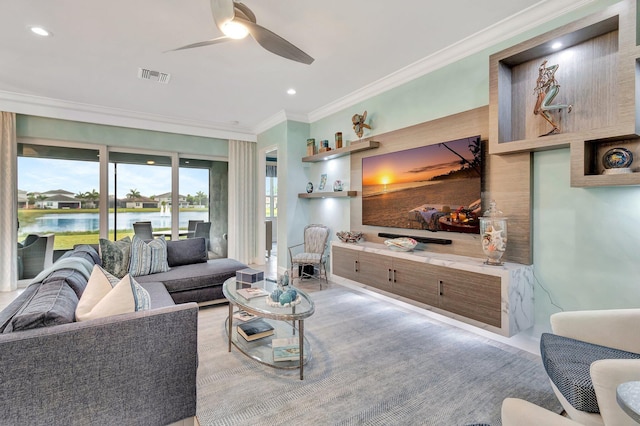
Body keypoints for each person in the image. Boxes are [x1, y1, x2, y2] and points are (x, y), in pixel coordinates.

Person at [533, 60, 572, 136]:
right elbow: (541, 91)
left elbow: (556, 65)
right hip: (550, 90)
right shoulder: (539, 79)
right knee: (542, 111)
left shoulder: (547, 72)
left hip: (553, 88)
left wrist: (551, 72)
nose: (540, 71)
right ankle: (554, 126)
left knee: (543, 107)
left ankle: (567, 105)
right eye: (539, 70)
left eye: (541, 69)